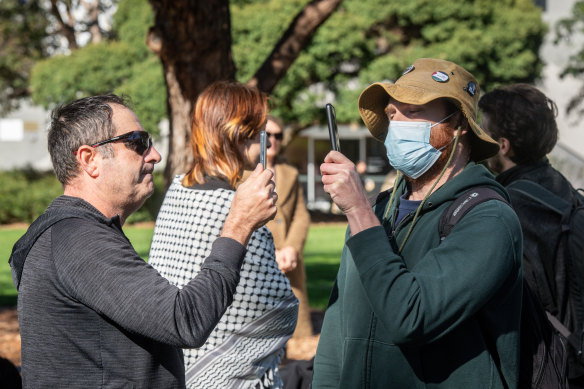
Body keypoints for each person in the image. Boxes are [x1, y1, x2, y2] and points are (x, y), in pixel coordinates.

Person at [8, 93, 278, 388]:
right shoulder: (78, 240)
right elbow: (186, 320)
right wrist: (238, 225)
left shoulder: (75, 234)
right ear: (90, 159)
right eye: (137, 142)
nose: (154, 155)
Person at [312, 58, 523, 388]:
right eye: (393, 113)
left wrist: (358, 211)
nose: (397, 123)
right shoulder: (380, 208)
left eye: (414, 111)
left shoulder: (489, 218)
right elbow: (338, 329)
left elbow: (411, 318)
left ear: (458, 125)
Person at [148, 82, 298, 389]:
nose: (267, 143)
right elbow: (275, 306)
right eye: (262, 132)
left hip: (170, 361)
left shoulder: (177, 189)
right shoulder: (237, 209)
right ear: (241, 134)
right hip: (225, 376)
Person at [479, 84, 584, 387]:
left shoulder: (508, 207)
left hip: (543, 367)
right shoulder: (566, 191)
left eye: (485, 132)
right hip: (573, 358)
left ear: (503, 145)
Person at [263, 115, 313, 339]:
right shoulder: (239, 173)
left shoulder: (289, 171)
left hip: (289, 264)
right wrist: (268, 252)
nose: (272, 140)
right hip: (258, 260)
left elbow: (301, 214)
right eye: (267, 135)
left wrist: (292, 247)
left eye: (278, 136)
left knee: (296, 339)